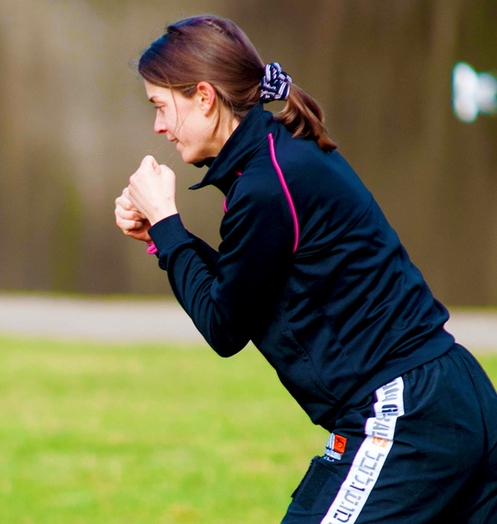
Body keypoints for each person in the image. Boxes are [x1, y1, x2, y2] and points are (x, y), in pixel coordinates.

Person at [114, 14, 497, 523]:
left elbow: (224, 326)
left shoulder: (268, 182)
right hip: (448, 396)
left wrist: (167, 225)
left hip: (405, 413)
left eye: (162, 107)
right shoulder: (276, 159)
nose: (159, 126)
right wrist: (166, 240)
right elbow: (244, 290)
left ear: (204, 96)